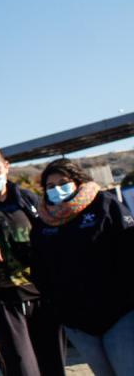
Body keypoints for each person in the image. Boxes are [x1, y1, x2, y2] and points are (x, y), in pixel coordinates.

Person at [0, 145, 65, 376]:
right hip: (4, 302)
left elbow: (50, 229)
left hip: (41, 296)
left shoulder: (27, 199)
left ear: (6, 166)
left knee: (53, 364)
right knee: (21, 368)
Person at [31, 158, 134, 376]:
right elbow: (39, 267)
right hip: (77, 322)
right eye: (50, 186)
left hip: (118, 313)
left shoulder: (104, 204)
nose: (57, 189)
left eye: (63, 182)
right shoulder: (43, 222)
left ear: (78, 181)